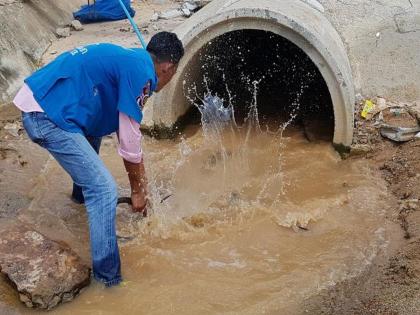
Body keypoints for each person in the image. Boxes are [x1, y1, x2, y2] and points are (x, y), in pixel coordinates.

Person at [12, 32, 184, 287]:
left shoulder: (133, 60)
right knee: (104, 190)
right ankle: (108, 279)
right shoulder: (141, 73)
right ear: (168, 67)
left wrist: (141, 184)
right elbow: (128, 139)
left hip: (49, 102)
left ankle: (79, 205)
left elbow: (122, 128)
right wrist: (139, 191)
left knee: (94, 142)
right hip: (45, 115)